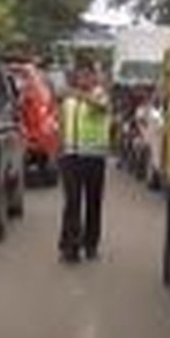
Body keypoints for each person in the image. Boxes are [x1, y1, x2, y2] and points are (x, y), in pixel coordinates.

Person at [58, 57, 112, 263]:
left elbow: (101, 107)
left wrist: (80, 94)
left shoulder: (100, 94)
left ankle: (90, 245)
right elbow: (62, 122)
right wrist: (60, 148)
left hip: (94, 158)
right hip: (71, 157)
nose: (83, 79)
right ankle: (69, 247)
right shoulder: (69, 100)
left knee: (93, 202)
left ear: (94, 76)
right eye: (80, 75)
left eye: (88, 75)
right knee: (72, 202)